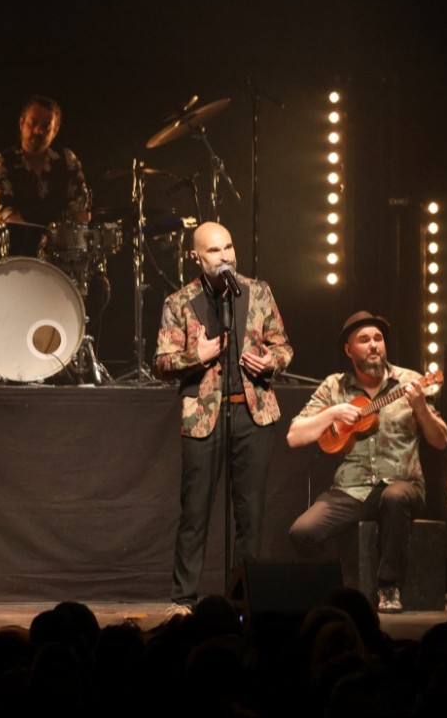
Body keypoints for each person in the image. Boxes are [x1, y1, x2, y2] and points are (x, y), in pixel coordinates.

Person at [154, 221, 293, 617]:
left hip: (253, 414)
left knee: (250, 515)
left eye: (228, 247)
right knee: (195, 512)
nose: (225, 256)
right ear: (196, 257)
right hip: (204, 417)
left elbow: (283, 346)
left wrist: (271, 360)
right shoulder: (180, 302)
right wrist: (195, 357)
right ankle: (184, 600)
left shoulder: (258, 291)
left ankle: (241, 600)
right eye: (214, 250)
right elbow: (162, 363)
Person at [287, 310, 447, 613]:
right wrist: (333, 413)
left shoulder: (411, 381)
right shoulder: (334, 386)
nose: (374, 345)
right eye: (364, 340)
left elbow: (440, 440)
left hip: (402, 483)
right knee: (302, 532)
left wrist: (420, 408)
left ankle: (388, 586)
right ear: (349, 350)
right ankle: (337, 584)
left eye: (378, 338)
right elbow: (294, 436)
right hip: (351, 490)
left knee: (394, 496)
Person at [0, 94, 91, 260]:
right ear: (21, 123)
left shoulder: (68, 160)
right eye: (33, 123)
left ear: (55, 130)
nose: (38, 131)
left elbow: (79, 211)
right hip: (11, 257)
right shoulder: (0, 164)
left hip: (58, 258)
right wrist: (38, 240)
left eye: (46, 126)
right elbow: (6, 216)